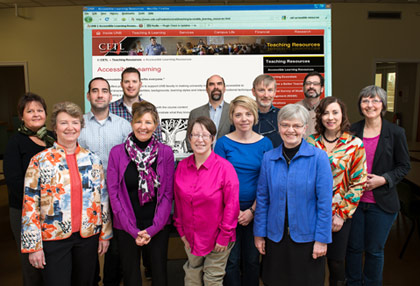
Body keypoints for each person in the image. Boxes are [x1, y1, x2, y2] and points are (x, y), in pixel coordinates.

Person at [21, 101, 112, 286]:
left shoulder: (93, 159)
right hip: (54, 239)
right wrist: (33, 247)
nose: (70, 127)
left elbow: (103, 198)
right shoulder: (39, 161)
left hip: (88, 237)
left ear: (81, 126)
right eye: (64, 123)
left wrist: (105, 234)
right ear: (54, 127)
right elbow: (30, 204)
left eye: (75, 122)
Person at [254, 104, 333, 286]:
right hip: (275, 238)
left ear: (305, 128)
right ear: (279, 127)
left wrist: (322, 239)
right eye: (285, 125)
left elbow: (324, 203)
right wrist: (259, 234)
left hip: (307, 239)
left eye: (296, 126)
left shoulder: (319, 158)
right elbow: (263, 200)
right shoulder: (269, 158)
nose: (291, 130)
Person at [345, 85, 411, 286]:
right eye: (365, 100)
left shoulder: (396, 132)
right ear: (360, 105)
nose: (370, 104)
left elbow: (404, 166)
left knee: (374, 250)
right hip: (354, 203)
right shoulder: (351, 131)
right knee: (353, 248)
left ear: (382, 104)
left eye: (375, 100)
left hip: (381, 203)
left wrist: (383, 179)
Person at [107, 101, 174, 286]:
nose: (143, 127)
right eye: (138, 121)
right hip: (126, 225)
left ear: (155, 125)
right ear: (131, 123)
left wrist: (153, 229)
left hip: (157, 225)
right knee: (130, 275)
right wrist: (132, 229)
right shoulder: (117, 153)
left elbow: (168, 193)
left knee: (159, 273)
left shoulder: (165, 152)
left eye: (148, 122)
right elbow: (114, 194)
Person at [307, 97, 367, 286]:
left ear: (343, 115)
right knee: (312, 261)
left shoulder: (354, 144)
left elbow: (359, 182)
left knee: (336, 263)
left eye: (335, 112)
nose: (330, 117)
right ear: (320, 116)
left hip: (339, 215)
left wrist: (341, 214)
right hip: (312, 212)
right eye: (325, 113)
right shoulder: (310, 142)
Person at [173, 116, 240, 286]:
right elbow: (179, 202)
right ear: (189, 139)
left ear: (212, 139)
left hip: (218, 237)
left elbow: (232, 206)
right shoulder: (182, 166)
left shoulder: (225, 168)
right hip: (191, 236)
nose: (200, 139)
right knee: (192, 278)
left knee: (212, 280)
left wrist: (224, 237)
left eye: (205, 135)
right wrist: (181, 232)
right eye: (195, 135)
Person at [78, 77, 131, 286]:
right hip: (86, 199)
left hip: (117, 197)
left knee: (115, 252)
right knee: (87, 250)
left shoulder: (124, 126)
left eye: (104, 91)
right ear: (88, 95)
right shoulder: (78, 124)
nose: (100, 94)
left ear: (110, 96)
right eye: (95, 91)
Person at [214, 96, 272, 286]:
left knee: (252, 260)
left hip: (256, 211)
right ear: (232, 118)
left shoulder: (266, 144)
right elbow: (218, 181)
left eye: (248, 114)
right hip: (228, 211)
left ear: (255, 116)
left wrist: (252, 211)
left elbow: (266, 182)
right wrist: (234, 211)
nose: (244, 119)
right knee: (230, 261)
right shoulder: (223, 144)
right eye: (238, 114)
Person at [4, 93, 55, 286]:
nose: (35, 114)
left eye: (39, 110)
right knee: (32, 263)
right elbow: (14, 181)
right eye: (30, 111)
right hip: (25, 212)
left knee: (52, 260)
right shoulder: (15, 143)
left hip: (53, 212)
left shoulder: (53, 137)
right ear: (22, 116)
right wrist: (40, 201)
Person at [109, 67, 162, 141]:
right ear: (121, 84)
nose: (131, 85)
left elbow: (158, 139)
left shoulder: (150, 109)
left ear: (140, 84)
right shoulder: (110, 109)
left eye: (134, 81)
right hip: (118, 152)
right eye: (127, 81)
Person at [251, 74, 283, 147]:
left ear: (275, 92)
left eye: (270, 90)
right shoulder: (245, 116)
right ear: (253, 92)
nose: (266, 95)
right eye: (261, 90)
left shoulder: (282, 115)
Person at [296, 71, 325, 138]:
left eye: (315, 84)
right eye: (308, 83)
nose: (311, 86)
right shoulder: (294, 109)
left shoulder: (326, 109)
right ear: (303, 88)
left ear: (322, 89)